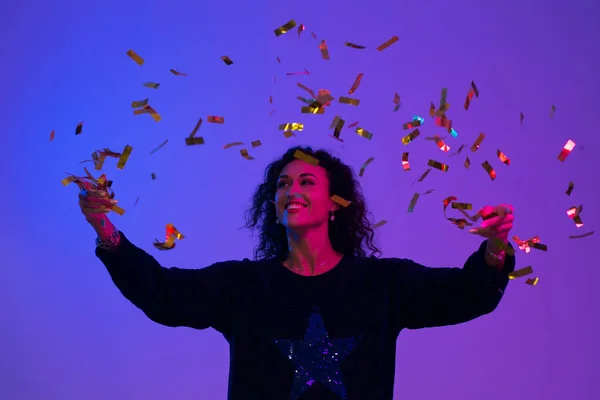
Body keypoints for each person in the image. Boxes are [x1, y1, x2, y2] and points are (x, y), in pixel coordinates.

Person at [80, 146, 516, 400]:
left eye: (307, 182)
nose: (292, 190)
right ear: (272, 206)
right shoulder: (241, 286)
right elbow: (162, 293)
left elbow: (466, 293)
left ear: (334, 204)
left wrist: (496, 247)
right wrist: (104, 227)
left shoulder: (383, 284)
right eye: (283, 185)